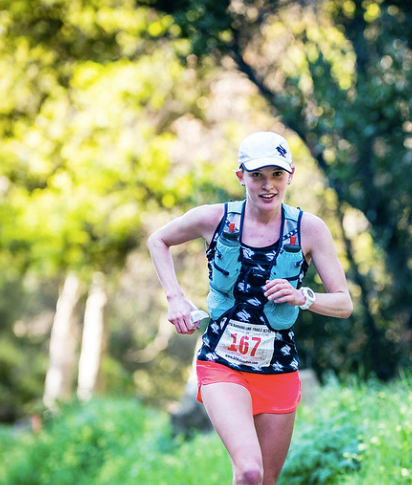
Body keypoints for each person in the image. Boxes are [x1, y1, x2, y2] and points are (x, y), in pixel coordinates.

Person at [147, 131, 353, 485]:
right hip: (222, 363)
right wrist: (175, 297)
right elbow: (158, 239)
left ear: (290, 174)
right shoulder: (215, 219)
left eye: (276, 175)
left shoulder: (309, 229)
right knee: (249, 471)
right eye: (257, 175)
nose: (268, 185)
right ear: (241, 176)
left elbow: (344, 303)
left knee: (264, 481)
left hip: (278, 368)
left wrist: (302, 296)